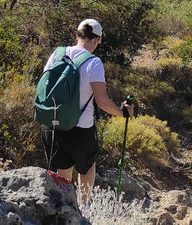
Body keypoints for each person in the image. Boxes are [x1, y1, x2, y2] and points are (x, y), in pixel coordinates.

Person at [41, 18, 135, 205]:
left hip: (52, 123)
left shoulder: (57, 53)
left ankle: (65, 209)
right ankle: (84, 209)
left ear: (77, 35)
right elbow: (102, 102)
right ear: (97, 40)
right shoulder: (94, 63)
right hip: (81, 129)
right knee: (86, 168)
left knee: (62, 171)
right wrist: (123, 112)